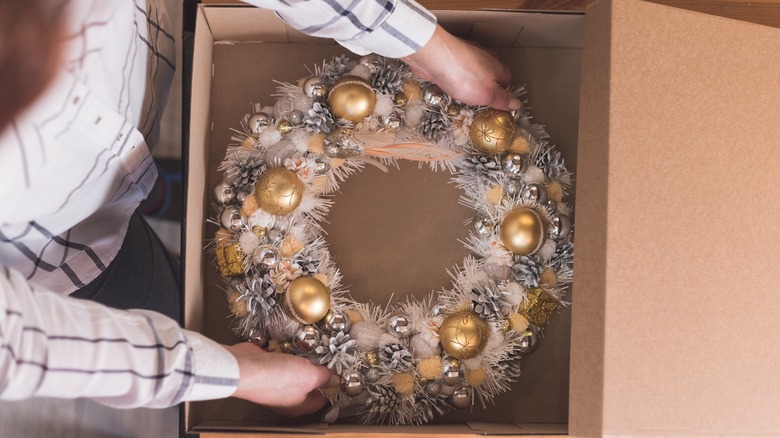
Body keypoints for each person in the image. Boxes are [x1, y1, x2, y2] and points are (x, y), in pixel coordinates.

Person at [0, 0, 517, 417]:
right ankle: (162, 194)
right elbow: (17, 345)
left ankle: (160, 191)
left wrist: (428, 46)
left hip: (132, 102)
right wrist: (233, 374)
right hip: (61, 254)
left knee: (154, 183)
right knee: (159, 296)